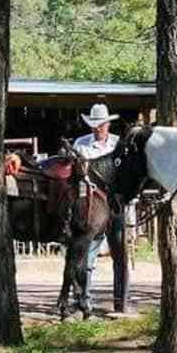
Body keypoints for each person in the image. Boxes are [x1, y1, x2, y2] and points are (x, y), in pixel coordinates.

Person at [73, 103, 120, 310]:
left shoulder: (118, 144)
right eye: (94, 125)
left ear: (108, 124)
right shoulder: (81, 144)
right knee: (88, 256)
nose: (97, 128)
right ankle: (84, 297)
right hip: (91, 206)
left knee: (120, 256)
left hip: (115, 204)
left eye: (101, 124)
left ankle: (120, 301)